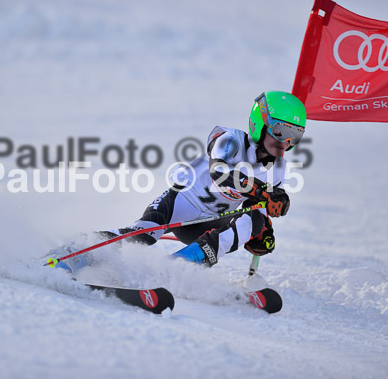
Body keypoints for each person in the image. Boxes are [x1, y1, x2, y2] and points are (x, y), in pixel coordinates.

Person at [51, 91, 307, 272]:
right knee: (143, 238)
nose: (285, 142)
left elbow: (257, 209)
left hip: (208, 224)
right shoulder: (231, 140)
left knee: (255, 220)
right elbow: (220, 173)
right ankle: (74, 252)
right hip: (180, 204)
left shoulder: (279, 169)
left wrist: (264, 228)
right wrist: (262, 191)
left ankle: (178, 270)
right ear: (260, 122)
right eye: (280, 131)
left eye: (295, 136)